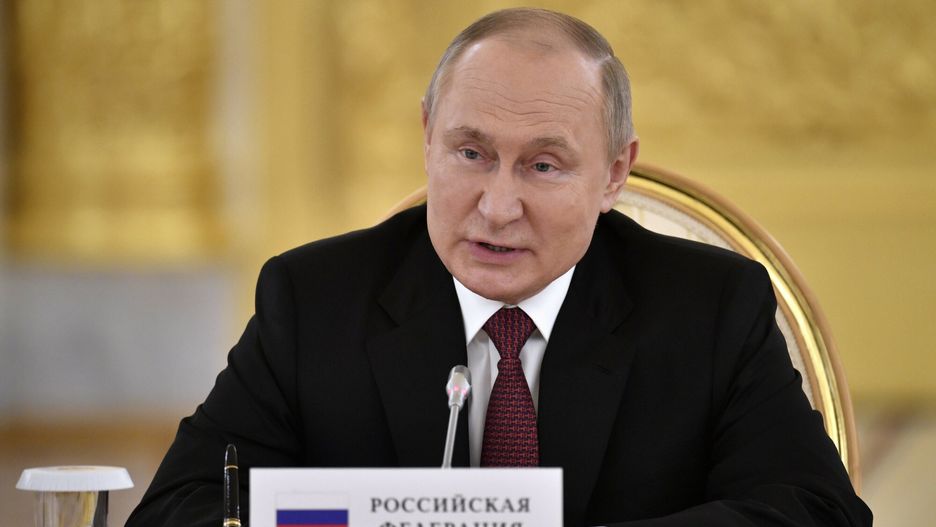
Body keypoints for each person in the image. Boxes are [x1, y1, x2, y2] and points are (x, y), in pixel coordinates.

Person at [127, 8, 871, 526]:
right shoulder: (315, 300)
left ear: (614, 174)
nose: (497, 206)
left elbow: (817, 510)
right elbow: (179, 507)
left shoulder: (710, 308)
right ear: (427, 136)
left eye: (543, 165)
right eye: (471, 153)